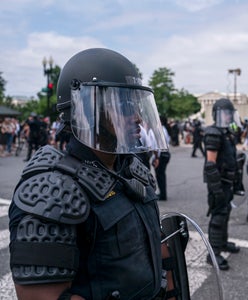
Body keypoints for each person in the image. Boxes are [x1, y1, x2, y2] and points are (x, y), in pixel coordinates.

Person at [8, 48, 174, 299]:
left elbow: (156, 248)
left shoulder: (132, 170)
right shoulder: (52, 188)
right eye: (124, 106)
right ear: (86, 110)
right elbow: (41, 296)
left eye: (137, 106)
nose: (139, 118)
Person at [203, 98, 240, 270]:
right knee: (218, 216)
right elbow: (211, 164)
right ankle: (213, 253)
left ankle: (223, 243)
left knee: (225, 213)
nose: (227, 117)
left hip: (227, 182)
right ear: (217, 114)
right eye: (224, 114)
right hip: (219, 183)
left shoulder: (226, 132)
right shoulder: (214, 132)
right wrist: (216, 189)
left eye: (229, 114)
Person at [155, 115, 171, 201]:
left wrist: (156, 157)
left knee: (160, 175)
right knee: (161, 175)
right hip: (165, 154)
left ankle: (163, 195)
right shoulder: (164, 129)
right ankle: (162, 193)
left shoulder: (161, 130)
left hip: (162, 154)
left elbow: (159, 145)